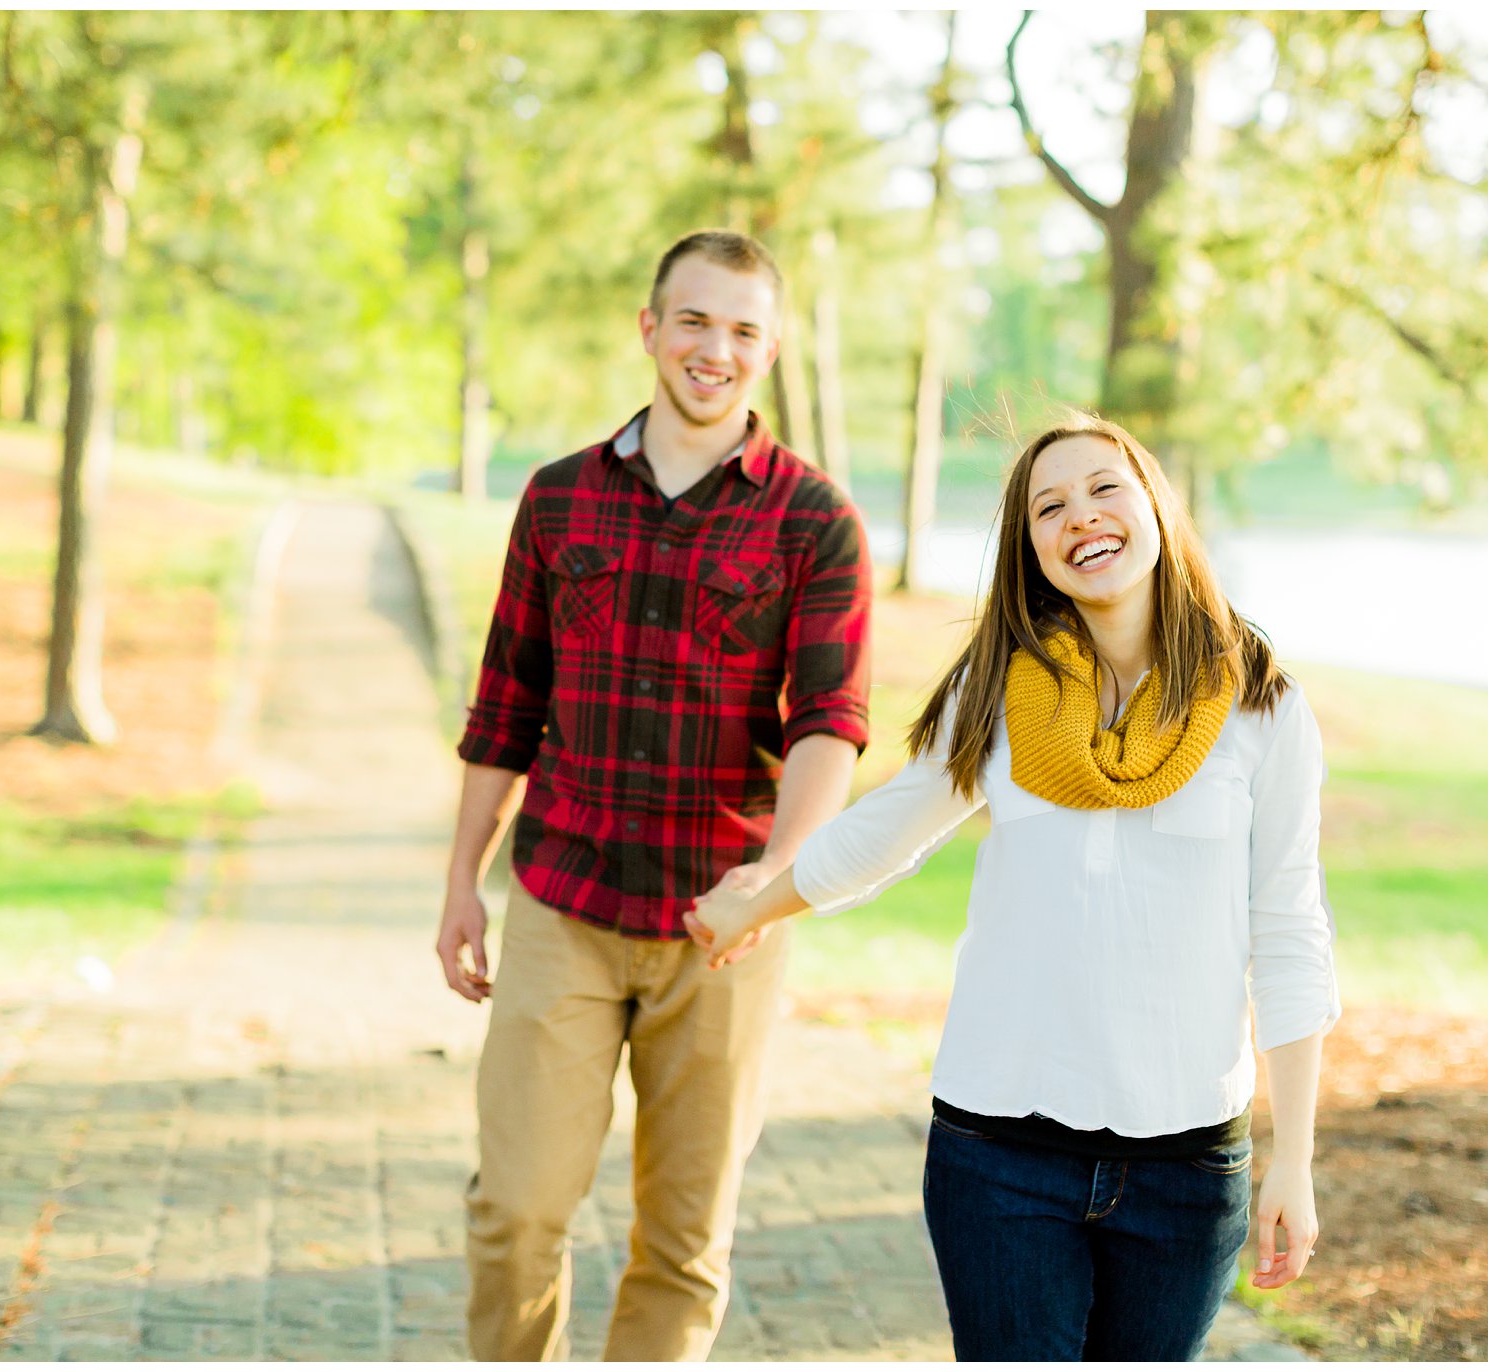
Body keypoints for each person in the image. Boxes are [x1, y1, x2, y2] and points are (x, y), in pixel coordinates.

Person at [686, 417, 1339, 1361]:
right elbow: (887, 832)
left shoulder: (1262, 704)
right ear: (1030, 548)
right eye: (1050, 506)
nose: (1082, 517)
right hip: (1000, 1155)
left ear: (1155, 502)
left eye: (1104, 489)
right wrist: (756, 902)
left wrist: (1297, 1162)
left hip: (1187, 1167)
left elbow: (1288, 931)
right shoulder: (998, 692)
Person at [436, 229, 872, 1362]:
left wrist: (777, 870)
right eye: (692, 319)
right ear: (649, 328)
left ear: (768, 351)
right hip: (563, 903)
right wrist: (459, 886)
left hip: (719, 928)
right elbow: (503, 708)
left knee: (682, 1240)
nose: (711, 348)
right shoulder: (557, 499)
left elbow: (830, 719)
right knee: (518, 1209)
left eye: (740, 330)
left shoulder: (813, 520)